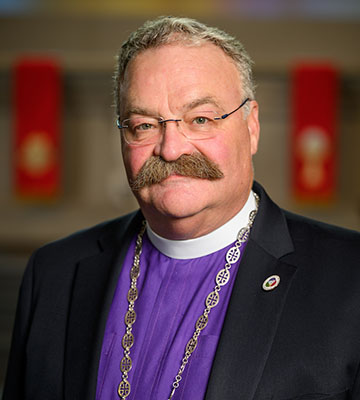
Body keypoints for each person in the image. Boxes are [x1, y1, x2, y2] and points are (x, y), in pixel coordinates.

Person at [3, 16, 360, 400]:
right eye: (143, 125)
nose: (171, 149)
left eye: (201, 119)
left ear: (251, 126)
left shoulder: (349, 277)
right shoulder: (54, 273)